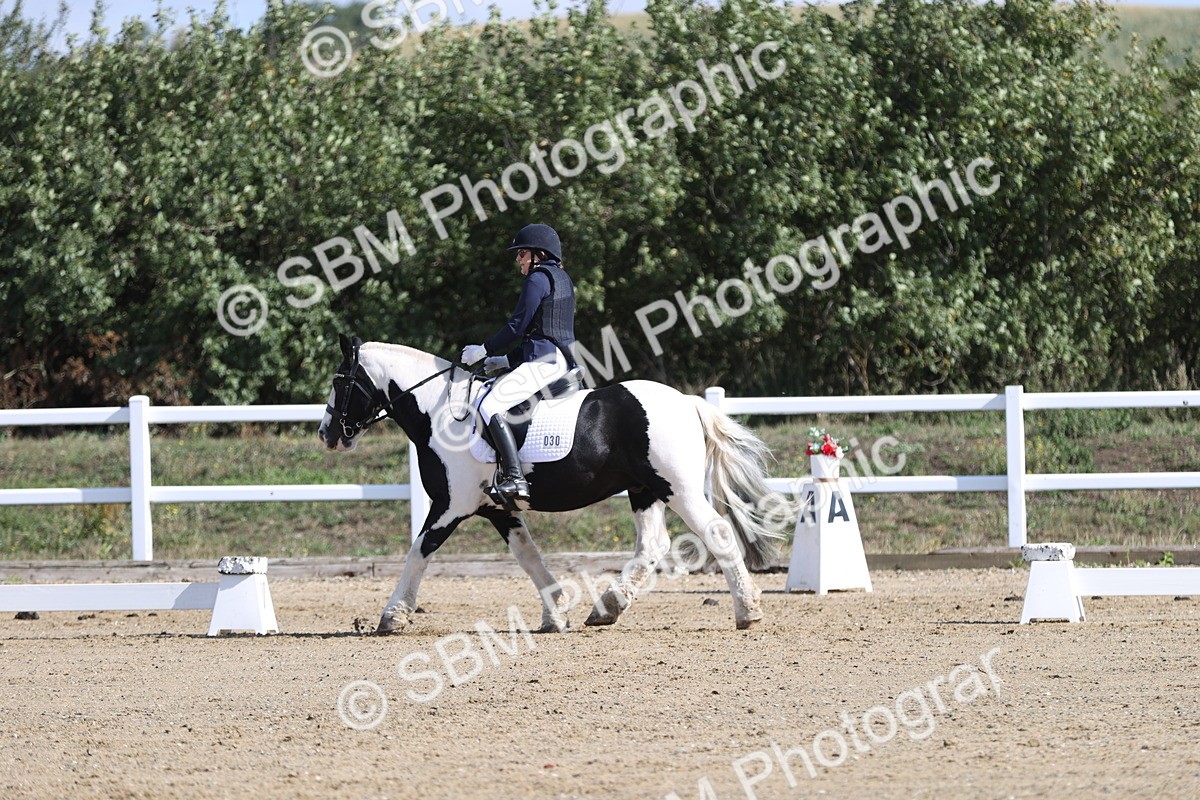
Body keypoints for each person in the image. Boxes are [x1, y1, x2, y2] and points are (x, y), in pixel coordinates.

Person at [461, 223, 577, 505]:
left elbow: (517, 326)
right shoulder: (562, 278)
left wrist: (483, 349)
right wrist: (505, 360)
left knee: (488, 406)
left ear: (538, 254)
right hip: (560, 359)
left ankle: (514, 477)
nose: (518, 260)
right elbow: (542, 331)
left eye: (522, 253)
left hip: (543, 363)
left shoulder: (537, 278)